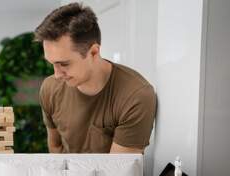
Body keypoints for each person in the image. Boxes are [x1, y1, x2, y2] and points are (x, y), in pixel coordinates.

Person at [35, 3, 157, 154]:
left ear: (93, 52)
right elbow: (55, 147)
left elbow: (117, 171)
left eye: (64, 64)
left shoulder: (135, 96)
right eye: (52, 63)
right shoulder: (50, 88)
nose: (57, 74)